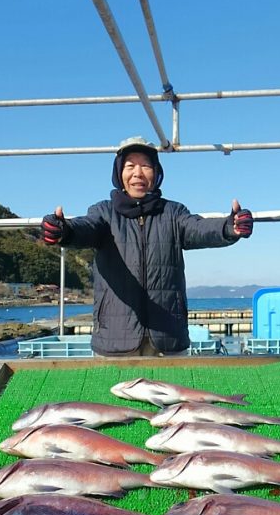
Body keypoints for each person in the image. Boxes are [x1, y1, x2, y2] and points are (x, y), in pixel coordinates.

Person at [41, 136, 253, 357]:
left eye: (146, 166)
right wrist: (62, 231)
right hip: (113, 341)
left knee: (172, 393)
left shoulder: (173, 212)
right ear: (119, 173)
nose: (138, 173)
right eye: (130, 166)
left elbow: (199, 228)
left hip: (168, 340)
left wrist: (230, 226)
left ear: (156, 172)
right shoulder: (103, 212)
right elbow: (84, 228)